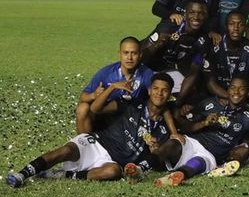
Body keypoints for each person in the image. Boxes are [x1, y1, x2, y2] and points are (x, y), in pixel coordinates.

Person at [7, 73, 175, 188]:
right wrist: (112, 88)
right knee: (65, 150)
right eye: (155, 88)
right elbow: (95, 109)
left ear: (169, 95)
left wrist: (154, 149)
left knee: (113, 172)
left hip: (113, 162)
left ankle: (64, 175)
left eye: (164, 90)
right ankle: (22, 174)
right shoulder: (132, 104)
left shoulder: (164, 128)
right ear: (149, 90)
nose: (159, 93)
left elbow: (155, 160)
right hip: (96, 143)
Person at [152, 76, 249, 186]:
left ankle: (178, 175)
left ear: (248, 92)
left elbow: (247, 143)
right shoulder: (211, 104)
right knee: (172, 144)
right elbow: (186, 128)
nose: (236, 92)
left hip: (209, 155)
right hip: (191, 143)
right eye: (233, 87)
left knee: (197, 164)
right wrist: (205, 123)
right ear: (228, 89)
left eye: (242, 89)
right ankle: (143, 166)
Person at [75, 36, 155, 134]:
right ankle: (84, 144)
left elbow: (154, 97)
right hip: (105, 115)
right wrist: (94, 95)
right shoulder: (106, 73)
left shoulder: (147, 73)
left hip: (132, 118)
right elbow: (83, 97)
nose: (129, 58)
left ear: (140, 55)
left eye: (134, 53)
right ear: (119, 54)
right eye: (126, 53)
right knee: (82, 108)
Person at [141, 0, 210, 106]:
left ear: (206, 16)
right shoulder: (168, 26)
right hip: (150, 69)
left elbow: (192, 74)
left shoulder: (203, 41)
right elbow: (141, 55)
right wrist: (157, 45)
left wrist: (179, 101)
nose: (196, 17)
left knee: (192, 91)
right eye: (192, 12)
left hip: (173, 72)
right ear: (185, 14)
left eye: (200, 13)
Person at [204, 11, 249, 99]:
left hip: (241, 97)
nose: (236, 28)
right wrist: (230, 98)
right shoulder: (214, 45)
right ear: (225, 26)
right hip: (217, 97)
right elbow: (210, 83)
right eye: (231, 24)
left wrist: (236, 99)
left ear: (245, 28)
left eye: (240, 25)